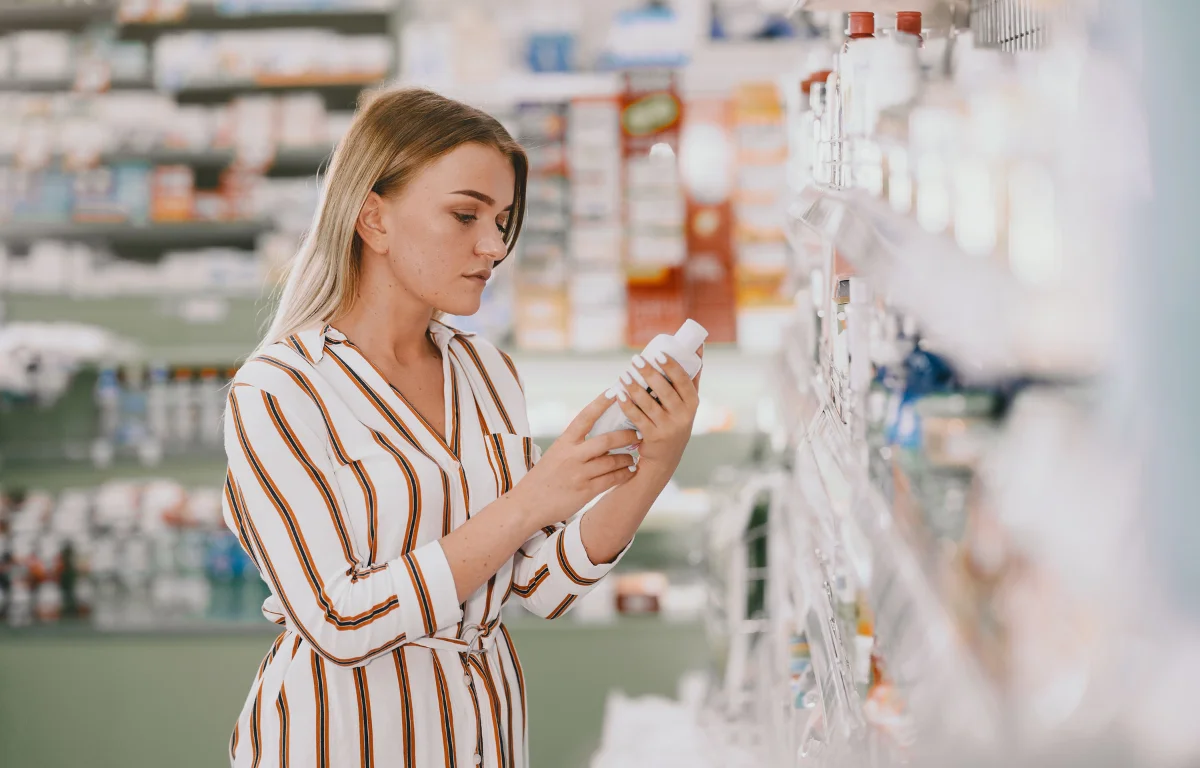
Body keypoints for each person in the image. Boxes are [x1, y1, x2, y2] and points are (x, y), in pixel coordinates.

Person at [221, 87, 702, 768]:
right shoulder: (279, 390)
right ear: (374, 220)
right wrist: (532, 500)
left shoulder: (486, 371)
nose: (494, 245)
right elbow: (339, 619)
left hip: (482, 737)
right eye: (465, 215)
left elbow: (543, 585)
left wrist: (655, 459)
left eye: (503, 219)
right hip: (340, 743)